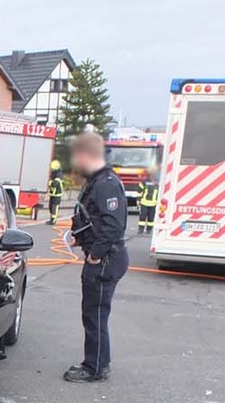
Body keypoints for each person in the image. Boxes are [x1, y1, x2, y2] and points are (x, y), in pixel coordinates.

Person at [64, 131, 128, 383]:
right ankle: (98, 361)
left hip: (105, 259)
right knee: (92, 312)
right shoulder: (98, 181)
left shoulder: (106, 184)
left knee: (96, 313)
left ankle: (95, 368)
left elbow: (113, 226)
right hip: (102, 257)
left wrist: (95, 256)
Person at [138, 169, 159, 234]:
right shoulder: (144, 182)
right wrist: (138, 200)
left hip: (153, 203)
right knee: (142, 216)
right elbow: (139, 191)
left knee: (151, 217)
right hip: (144, 202)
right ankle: (141, 229)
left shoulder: (157, 182)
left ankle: (149, 230)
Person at [48, 160, 65, 226]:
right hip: (53, 194)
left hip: (57, 195)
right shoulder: (54, 173)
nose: (51, 169)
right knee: (51, 207)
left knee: (54, 208)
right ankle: (51, 219)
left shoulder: (59, 175)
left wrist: (50, 183)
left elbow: (55, 184)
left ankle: (53, 221)